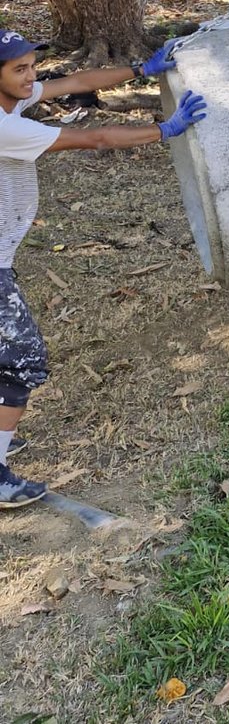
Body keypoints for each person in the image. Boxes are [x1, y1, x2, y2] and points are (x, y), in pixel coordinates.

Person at [0, 32, 206, 509]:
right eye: (20, 70)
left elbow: (75, 81)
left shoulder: (14, 98)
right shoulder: (5, 127)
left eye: (32, 66)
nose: (32, 77)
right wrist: (164, 130)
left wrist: (141, 69)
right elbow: (91, 137)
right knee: (22, 362)